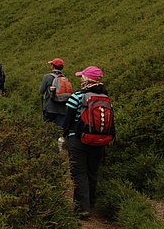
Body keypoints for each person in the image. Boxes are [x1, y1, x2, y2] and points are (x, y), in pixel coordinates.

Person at [63, 65, 115, 218]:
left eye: (82, 77)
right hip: (99, 141)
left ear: (87, 79)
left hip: (78, 140)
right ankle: (91, 203)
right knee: (92, 171)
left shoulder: (77, 96)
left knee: (79, 172)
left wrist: (64, 135)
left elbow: (68, 120)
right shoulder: (106, 99)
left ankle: (82, 208)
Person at [39, 58, 70, 133]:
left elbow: (41, 91)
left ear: (53, 66)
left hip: (50, 107)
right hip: (63, 108)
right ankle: (59, 143)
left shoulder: (47, 77)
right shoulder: (65, 78)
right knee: (59, 131)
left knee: (48, 130)